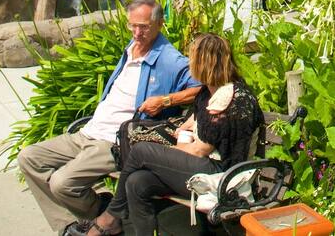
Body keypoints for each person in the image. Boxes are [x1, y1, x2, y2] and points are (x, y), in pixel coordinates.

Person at [18, 0, 202, 233]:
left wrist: (166, 100)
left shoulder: (169, 59)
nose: (137, 32)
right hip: (88, 131)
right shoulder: (131, 47)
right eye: (132, 25)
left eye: (144, 26)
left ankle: (107, 219)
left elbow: (201, 88)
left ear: (159, 24)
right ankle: (76, 222)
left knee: (62, 183)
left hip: (114, 142)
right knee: (29, 157)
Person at [73, 33, 264, 236]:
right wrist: (181, 133)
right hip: (206, 166)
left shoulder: (230, 98)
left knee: (142, 151)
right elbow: (193, 121)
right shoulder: (210, 92)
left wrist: (166, 152)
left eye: (192, 59)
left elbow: (199, 150)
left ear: (203, 64)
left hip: (224, 174)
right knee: (137, 182)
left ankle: (111, 217)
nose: (189, 64)